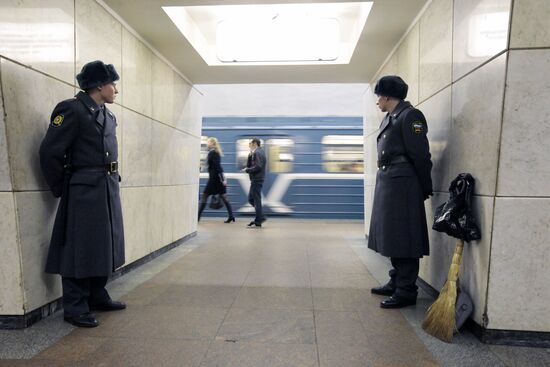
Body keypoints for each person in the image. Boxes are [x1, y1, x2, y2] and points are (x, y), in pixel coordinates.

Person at [39, 60, 126, 328]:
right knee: (79, 247)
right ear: (99, 85)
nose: (116, 90)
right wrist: (62, 187)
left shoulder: (106, 114)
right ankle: (75, 306)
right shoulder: (72, 110)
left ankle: (97, 294)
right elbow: (50, 152)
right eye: (113, 84)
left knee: (104, 244)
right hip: (83, 189)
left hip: (106, 187)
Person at [368, 75, 433, 309]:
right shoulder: (392, 117)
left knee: (404, 237)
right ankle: (397, 280)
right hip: (391, 183)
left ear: (386, 96)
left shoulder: (410, 116)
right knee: (393, 234)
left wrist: (424, 186)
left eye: (378, 96)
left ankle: (406, 290)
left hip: (403, 184)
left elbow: (421, 155)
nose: (377, 101)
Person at [198, 137, 235, 223]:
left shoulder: (212, 153)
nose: (207, 144)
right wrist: (222, 178)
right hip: (217, 179)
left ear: (212, 143)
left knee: (204, 196)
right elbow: (217, 166)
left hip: (214, 180)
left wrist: (222, 179)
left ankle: (197, 217)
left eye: (208, 142)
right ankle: (231, 216)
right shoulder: (216, 152)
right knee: (224, 197)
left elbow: (217, 167)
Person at [244, 138, 266, 228]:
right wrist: (250, 155)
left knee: (255, 200)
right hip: (257, 179)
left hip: (257, 179)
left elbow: (258, 166)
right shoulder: (257, 152)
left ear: (255, 143)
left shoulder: (257, 153)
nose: (249, 145)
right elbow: (253, 164)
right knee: (251, 199)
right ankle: (260, 217)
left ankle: (259, 220)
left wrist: (247, 170)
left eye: (250, 143)